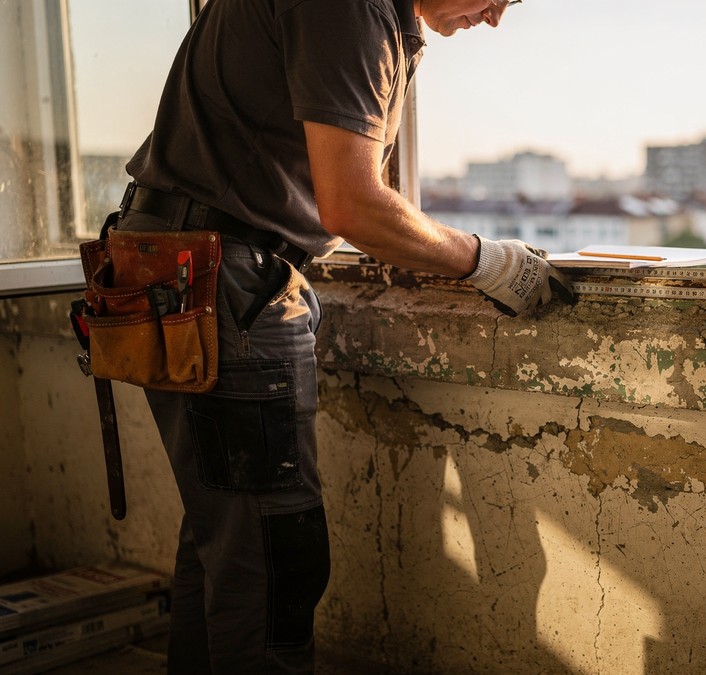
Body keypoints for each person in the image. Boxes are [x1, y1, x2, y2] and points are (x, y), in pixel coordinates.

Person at [115, 0, 574, 671]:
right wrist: (489, 261)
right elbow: (353, 202)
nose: (497, 17)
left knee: (228, 538)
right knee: (273, 558)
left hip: (182, 264)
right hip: (224, 277)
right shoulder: (348, 7)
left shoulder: (378, 18)